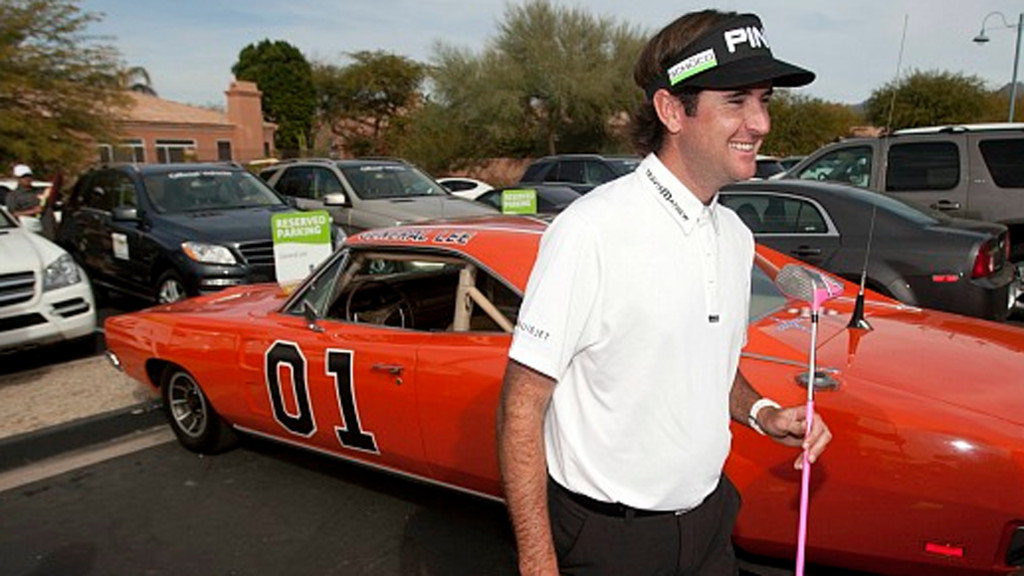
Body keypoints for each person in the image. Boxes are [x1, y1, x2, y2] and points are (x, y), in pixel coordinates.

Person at [497, 10, 832, 576]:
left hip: (710, 525)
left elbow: (708, 362)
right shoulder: (591, 230)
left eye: (765, 99)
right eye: (737, 101)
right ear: (672, 110)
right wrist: (537, 564)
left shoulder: (735, 236)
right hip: (611, 540)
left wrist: (764, 412)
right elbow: (521, 408)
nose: (761, 123)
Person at [6, 164, 49, 233]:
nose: (27, 179)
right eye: (23, 177)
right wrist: (32, 211)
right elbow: (12, 214)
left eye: (29, 176)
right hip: (30, 230)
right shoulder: (13, 195)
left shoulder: (41, 191)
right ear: (17, 178)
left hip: (48, 228)